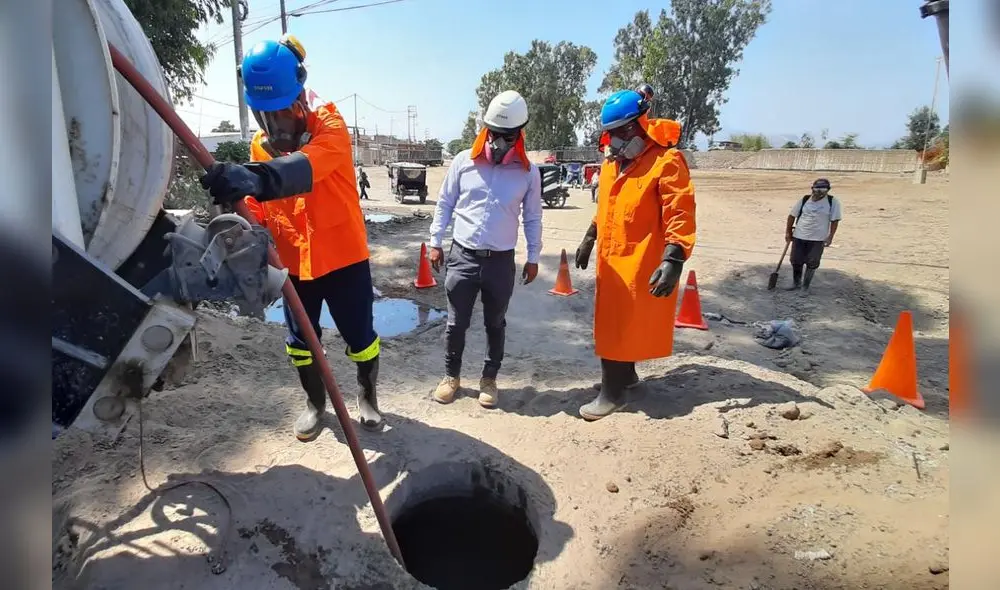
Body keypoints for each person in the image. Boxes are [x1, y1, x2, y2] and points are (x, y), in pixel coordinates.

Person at [200, 35, 384, 440]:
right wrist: (244, 222)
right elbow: (259, 205)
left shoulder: (330, 126)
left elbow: (304, 169)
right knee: (300, 341)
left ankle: (367, 396)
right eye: (266, 115)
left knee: (361, 336)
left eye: (283, 111)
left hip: (343, 256)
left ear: (300, 95)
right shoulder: (260, 145)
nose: (276, 124)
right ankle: (315, 403)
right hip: (293, 261)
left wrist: (253, 177)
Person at [573, 84, 696, 421]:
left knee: (617, 326)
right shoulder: (613, 164)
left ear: (639, 126)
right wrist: (589, 236)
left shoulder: (666, 162)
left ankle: (612, 394)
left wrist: (674, 258)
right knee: (617, 323)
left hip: (641, 259)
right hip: (611, 260)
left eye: (619, 133)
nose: (612, 141)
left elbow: (680, 212)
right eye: (609, 134)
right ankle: (626, 378)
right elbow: (608, 206)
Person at [427, 90, 543, 409]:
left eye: (507, 136)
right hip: (462, 257)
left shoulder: (528, 173)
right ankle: (451, 377)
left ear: (519, 134)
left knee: (495, 323)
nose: (499, 142)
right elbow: (445, 203)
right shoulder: (463, 162)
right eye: (494, 133)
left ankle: (489, 380)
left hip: (500, 262)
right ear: (486, 129)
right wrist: (435, 242)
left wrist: (534, 257)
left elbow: (533, 217)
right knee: (456, 324)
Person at [784, 178, 842, 292]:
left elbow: (835, 221)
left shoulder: (832, 202)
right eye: (817, 189)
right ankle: (796, 283)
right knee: (795, 260)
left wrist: (830, 237)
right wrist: (788, 232)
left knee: (812, 262)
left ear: (828, 190)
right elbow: (791, 216)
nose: (819, 192)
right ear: (812, 189)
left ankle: (805, 287)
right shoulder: (805, 199)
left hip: (818, 238)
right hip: (799, 236)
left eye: (823, 189)